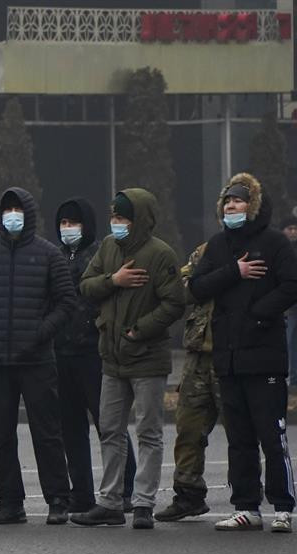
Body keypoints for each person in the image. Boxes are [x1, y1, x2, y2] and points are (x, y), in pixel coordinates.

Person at [189, 173, 297, 533]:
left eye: (238, 201)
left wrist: (258, 315)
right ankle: (246, 507)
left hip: (264, 355)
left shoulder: (273, 243)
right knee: (238, 439)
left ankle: (282, 507)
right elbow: (197, 286)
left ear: (251, 206)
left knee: (273, 435)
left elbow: (292, 285)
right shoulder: (218, 246)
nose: (231, 207)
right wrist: (233, 272)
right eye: (227, 202)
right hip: (228, 357)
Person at [73, 189, 184, 530]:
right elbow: (86, 285)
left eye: (122, 218)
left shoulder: (160, 254)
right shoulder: (108, 247)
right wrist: (114, 280)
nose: (116, 223)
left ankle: (143, 504)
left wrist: (141, 329)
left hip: (147, 357)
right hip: (112, 357)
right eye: (114, 217)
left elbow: (174, 303)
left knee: (148, 432)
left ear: (139, 220)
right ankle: (109, 501)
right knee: (110, 430)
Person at [0, 187, 77, 526]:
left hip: (37, 360)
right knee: (1, 434)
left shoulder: (48, 255)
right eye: (7, 209)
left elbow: (66, 303)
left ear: (28, 214)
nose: (12, 214)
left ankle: (58, 499)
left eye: (18, 209)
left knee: (47, 432)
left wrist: (38, 335)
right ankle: (10, 501)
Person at [53, 197, 138, 513]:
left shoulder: (101, 254)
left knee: (109, 424)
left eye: (73, 222)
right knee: (71, 427)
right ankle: (82, 493)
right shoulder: (56, 255)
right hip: (62, 352)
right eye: (63, 223)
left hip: (94, 351)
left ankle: (126, 488)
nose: (68, 228)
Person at [154, 242, 221, 522]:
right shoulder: (205, 251)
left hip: (235, 350)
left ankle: (248, 498)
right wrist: (216, 279)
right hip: (198, 353)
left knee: (246, 431)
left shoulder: (258, 248)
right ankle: (188, 494)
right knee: (188, 424)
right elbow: (180, 289)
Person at [280, 216, 297, 384]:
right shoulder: (280, 251)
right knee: (286, 342)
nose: (293, 232)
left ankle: (296, 376)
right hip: (288, 306)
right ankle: (286, 376)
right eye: (290, 228)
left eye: (296, 228)